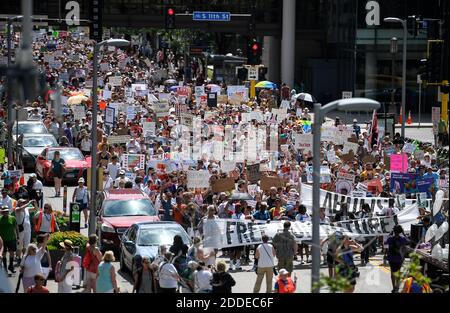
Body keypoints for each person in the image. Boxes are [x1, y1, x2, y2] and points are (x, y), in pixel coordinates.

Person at [385, 225, 409, 293]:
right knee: (398, 272)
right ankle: (397, 287)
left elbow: (386, 241)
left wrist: (390, 233)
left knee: (392, 273)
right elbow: (408, 241)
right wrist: (404, 233)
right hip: (399, 258)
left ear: (394, 231)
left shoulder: (390, 238)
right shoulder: (403, 238)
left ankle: (394, 287)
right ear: (400, 231)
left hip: (391, 258)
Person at [0, 206, 18, 274]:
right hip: (3, 240)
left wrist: (18, 237)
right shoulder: (0, 219)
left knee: (12, 253)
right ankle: (5, 269)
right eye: (4, 211)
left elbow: (16, 228)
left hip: (12, 238)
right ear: (2, 212)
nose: (5, 212)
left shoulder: (12, 218)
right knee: (3, 254)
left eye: (7, 211)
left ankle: (11, 266)